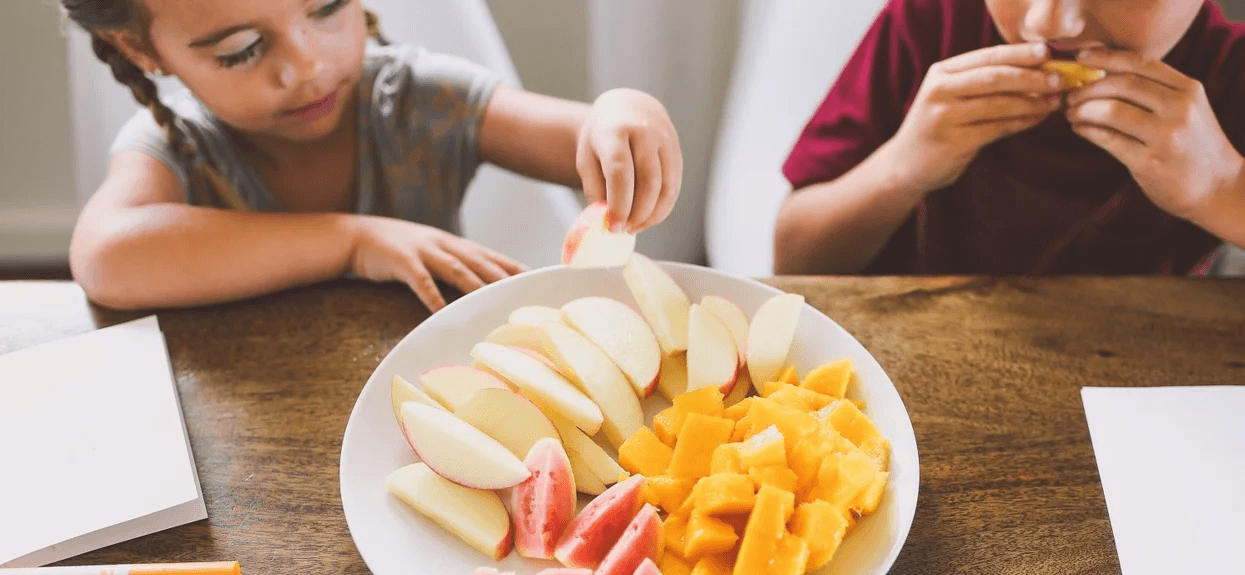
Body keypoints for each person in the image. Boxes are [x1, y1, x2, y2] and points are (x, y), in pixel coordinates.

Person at [63, 0, 683, 311]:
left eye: (328, 6)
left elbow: (584, 134)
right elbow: (103, 256)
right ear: (140, 49)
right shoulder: (177, 149)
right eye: (243, 49)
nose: (307, 66)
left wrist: (624, 112)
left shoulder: (416, 100)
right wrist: (351, 242)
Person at [774, 0, 1245, 276]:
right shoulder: (929, 21)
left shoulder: (1231, 71)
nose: (1050, 23)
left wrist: (1221, 189)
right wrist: (901, 169)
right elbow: (794, 259)